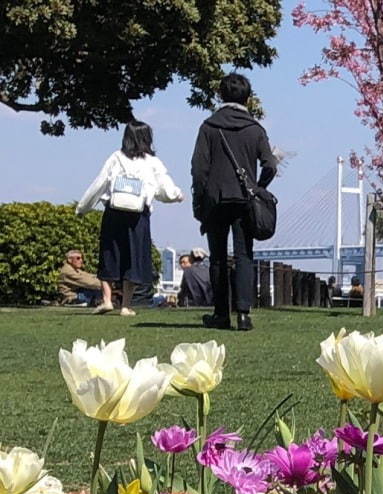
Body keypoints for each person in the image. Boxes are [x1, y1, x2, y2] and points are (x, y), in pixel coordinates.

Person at [191, 73, 277, 331]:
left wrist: (199, 199)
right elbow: (270, 165)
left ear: (221, 95)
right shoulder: (255, 129)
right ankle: (243, 314)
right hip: (244, 200)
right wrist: (258, 188)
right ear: (248, 98)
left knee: (217, 258)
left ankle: (220, 314)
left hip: (215, 200)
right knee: (244, 255)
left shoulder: (208, 127)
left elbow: (198, 169)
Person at [76, 121, 182, 317]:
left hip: (114, 212)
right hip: (138, 216)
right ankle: (126, 305)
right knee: (134, 258)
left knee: (109, 255)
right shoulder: (151, 162)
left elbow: (99, 184)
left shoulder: (116, 158)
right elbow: (164, 187)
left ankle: (107, 299)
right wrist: (176, 195)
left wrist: (83, 207)